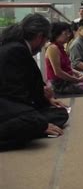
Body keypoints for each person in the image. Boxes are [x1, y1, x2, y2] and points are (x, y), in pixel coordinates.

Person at [0, 14, 69, 150]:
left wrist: (46, 97)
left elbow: (26, 82)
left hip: (9, 103)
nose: (44, 45)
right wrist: (39, 121)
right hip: (6, 105)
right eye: (45, 40)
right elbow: (15, 94)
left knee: (59, 113)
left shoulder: (15, 47)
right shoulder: (16, 50)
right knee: (37, 122)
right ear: (39, 37)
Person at [45, 22, 83, 94]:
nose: (68, 36)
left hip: (68, 79)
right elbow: (58, 72)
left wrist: (78, 73)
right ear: (57, 34)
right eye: (65, 34)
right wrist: (75, 79)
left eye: (68, 33)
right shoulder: (53, 48)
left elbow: (67, 67)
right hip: (59, 84)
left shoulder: (60, 47)